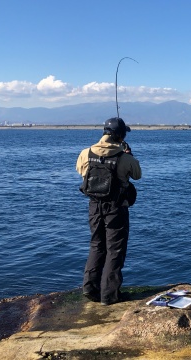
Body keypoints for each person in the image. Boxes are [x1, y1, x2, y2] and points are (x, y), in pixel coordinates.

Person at [76, 117, 141, 305]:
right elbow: (137, 175)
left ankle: (90, 288)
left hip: (94, 207)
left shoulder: (85, 153)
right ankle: (109, 296)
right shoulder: (124, 157)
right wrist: (129, 154)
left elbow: (81, 172)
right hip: (116, 208)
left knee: (97, 245)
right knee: (115, 250)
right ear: (120, 135)